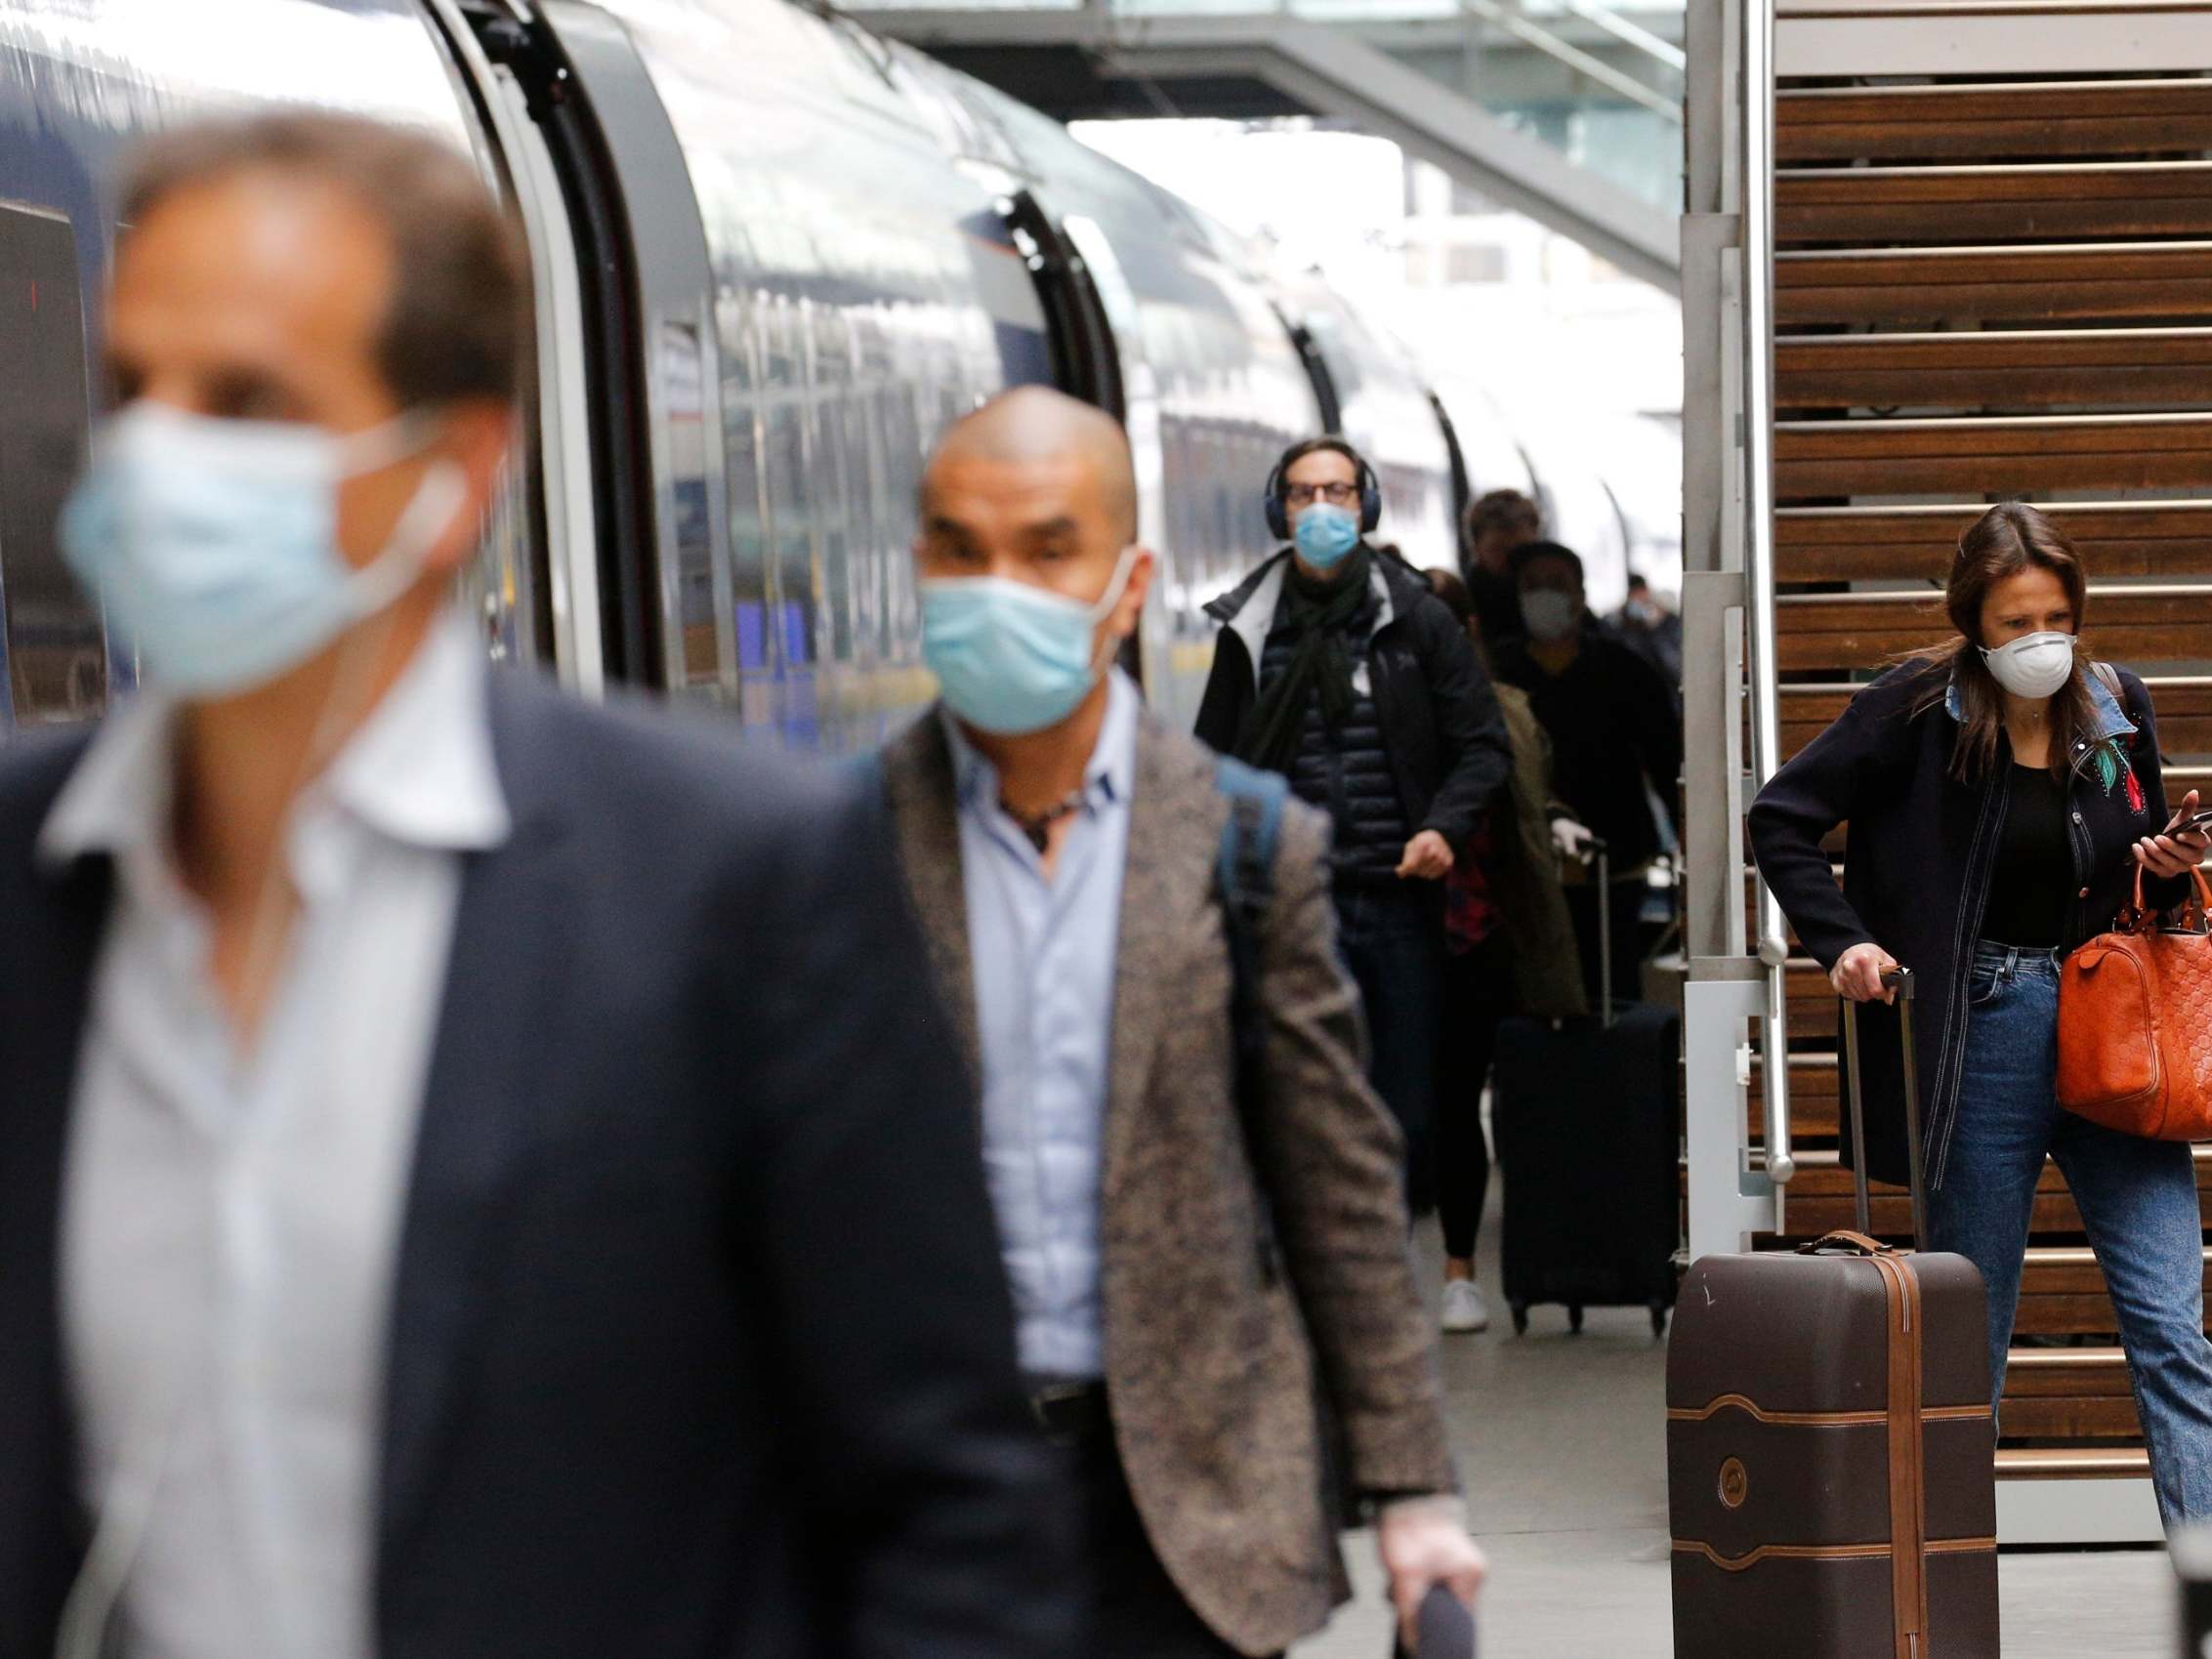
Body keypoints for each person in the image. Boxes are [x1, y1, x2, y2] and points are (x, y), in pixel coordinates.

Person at [0, 113, 1065, 1659]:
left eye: (247, 402)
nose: (160, 456)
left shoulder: (729, 886)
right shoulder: (25, 890)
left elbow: (946, 1507)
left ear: (454, 462)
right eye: (132, 392)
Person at [882, 387, 1485, 1658]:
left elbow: (1335, 1178)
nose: (1002, 589)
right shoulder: (835, 845)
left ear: (1127, 575)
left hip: (1189, 1487)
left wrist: (1412, 1486)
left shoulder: (1244, 841)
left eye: (1048, 548)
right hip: (927, 1488)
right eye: (960, 550)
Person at [1750, 501, 2212, 1531]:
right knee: (1972, 1329)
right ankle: (1945, 1577)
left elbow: (2149, 896)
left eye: (2057, 614)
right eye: (2015, 621)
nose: (2041, 638)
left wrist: (2173, 874)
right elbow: (1780, 818)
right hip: (1980, 1027)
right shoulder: (1914, 709)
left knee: (2171, 1318)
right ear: (1974, 623)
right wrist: (1845, 939)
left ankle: (2206, 1568)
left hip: (2113, 1028)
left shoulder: (2117, 705)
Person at [1193, 437, 1512, 1192]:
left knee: (1401, 1107)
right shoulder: (1248, 629)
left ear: (1364, 506)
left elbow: (1483, 745)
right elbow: (1211, 761)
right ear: (1279, 508)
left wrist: (1441, 826)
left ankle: (1382, 1266)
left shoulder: (1417, 621)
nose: (1321, 509)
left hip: (1396, 898)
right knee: (1293, 1100)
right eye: (1304, 494)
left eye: (1337, 493)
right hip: (1288, 902)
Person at [1421, 568, 1589, 1334]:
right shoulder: (1364, 715)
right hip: (1394, 932)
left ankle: (1461, 1268)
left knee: (1461, 1103)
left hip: (1478, 931)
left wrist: (1552, 817)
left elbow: (1526, 802)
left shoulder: (1506, 713)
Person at [1495, 540, 1681, 1009]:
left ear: (1580, 593)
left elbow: (1665, 759)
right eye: (1532, 586)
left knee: (1612, 991)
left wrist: (1684, 836)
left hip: (1615, 866)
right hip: (1523, 868)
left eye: (1556, 585)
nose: (1544, 596)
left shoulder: (1624, 669)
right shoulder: (1498, 672)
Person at [1460, 487, 1542, 655]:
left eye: (1522, 548)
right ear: (1476, 549)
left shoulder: (1552, 591)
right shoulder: (1464, 606)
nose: (1512, 559)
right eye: (1499, 549)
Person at [1613, 573, 1683, 687]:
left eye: (1642, 597)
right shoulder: (1622, 627)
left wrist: (1656, 628)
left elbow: (1675, 668)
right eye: (1634, 597)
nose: (1638, 603)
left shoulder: (1668, 623)